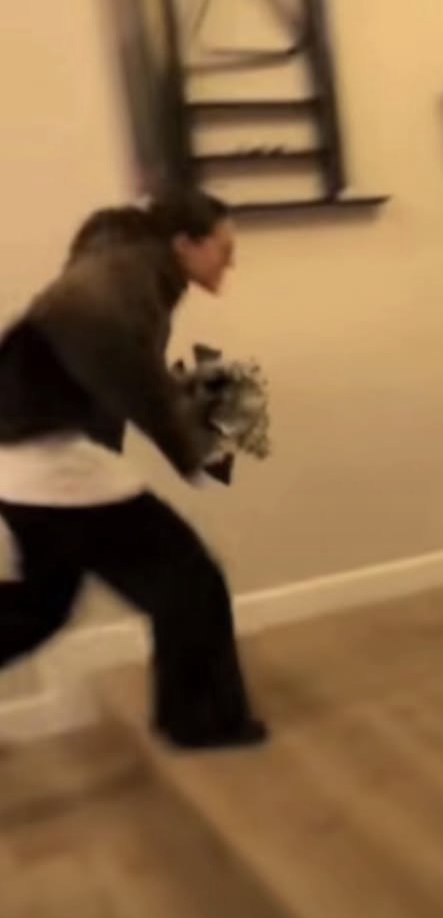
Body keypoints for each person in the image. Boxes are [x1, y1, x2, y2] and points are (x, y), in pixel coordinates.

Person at [0, 188, 267, 749]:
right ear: (185, 244)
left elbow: (115, 368)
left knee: (42, 606)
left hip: (24, 464)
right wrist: (193, 449)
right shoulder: (119, 283)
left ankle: (196, 719)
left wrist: (184, 421)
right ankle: (202, 723)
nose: (231, 262)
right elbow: (124, 368)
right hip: (52, 465)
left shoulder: (130, 270)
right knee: (190, 582)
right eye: (223, 248)